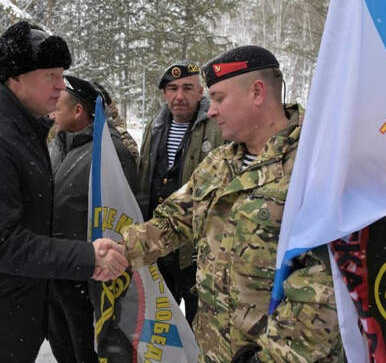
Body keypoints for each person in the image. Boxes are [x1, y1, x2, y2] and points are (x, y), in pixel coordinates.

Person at [0, 20, 127, 363]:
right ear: (16, 78)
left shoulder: (20, 128)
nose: (61, 86)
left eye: (62, 75)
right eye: (51, 76)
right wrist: (85, 258)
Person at [121, 46, 342, 362]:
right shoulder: (222, 160)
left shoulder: (317, 165)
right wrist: (118, 252)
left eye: (219, 98)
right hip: (213, 348)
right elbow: (175, 220)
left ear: (257, 92)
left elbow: (326, 284)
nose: (210, 110)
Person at [47, 76, 138, 363]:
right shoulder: (58, 143)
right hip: (55, 267)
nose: (51, 111)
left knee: (86, 349)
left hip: (87, 278)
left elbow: (121, 219)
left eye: (58, 105)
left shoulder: (110, 153)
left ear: (78, 111)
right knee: (62, 345)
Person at [136, 60, 224, 325]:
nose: (179, 96)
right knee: (162, 326)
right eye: (172, 88)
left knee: (200, 326)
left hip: (199, 252)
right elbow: (145, 180)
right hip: (161, 247)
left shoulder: (218, 126)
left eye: (188, 88)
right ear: (164, 93)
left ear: (201, 92)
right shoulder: (156, 127)